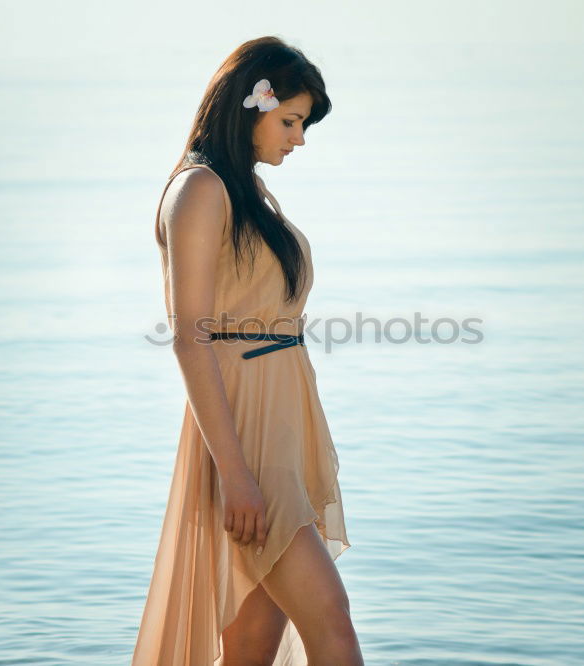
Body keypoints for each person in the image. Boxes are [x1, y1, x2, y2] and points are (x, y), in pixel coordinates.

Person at [131, 36, 363, 666]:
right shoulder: (200, 190)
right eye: (291, 120)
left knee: (253, 643)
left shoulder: (249, 194)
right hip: (246, 436)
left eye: (304, 125)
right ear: (250, 104)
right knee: (332, 628)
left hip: (283, 429)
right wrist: (236, 475)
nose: (300, 138)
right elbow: (189, 336)